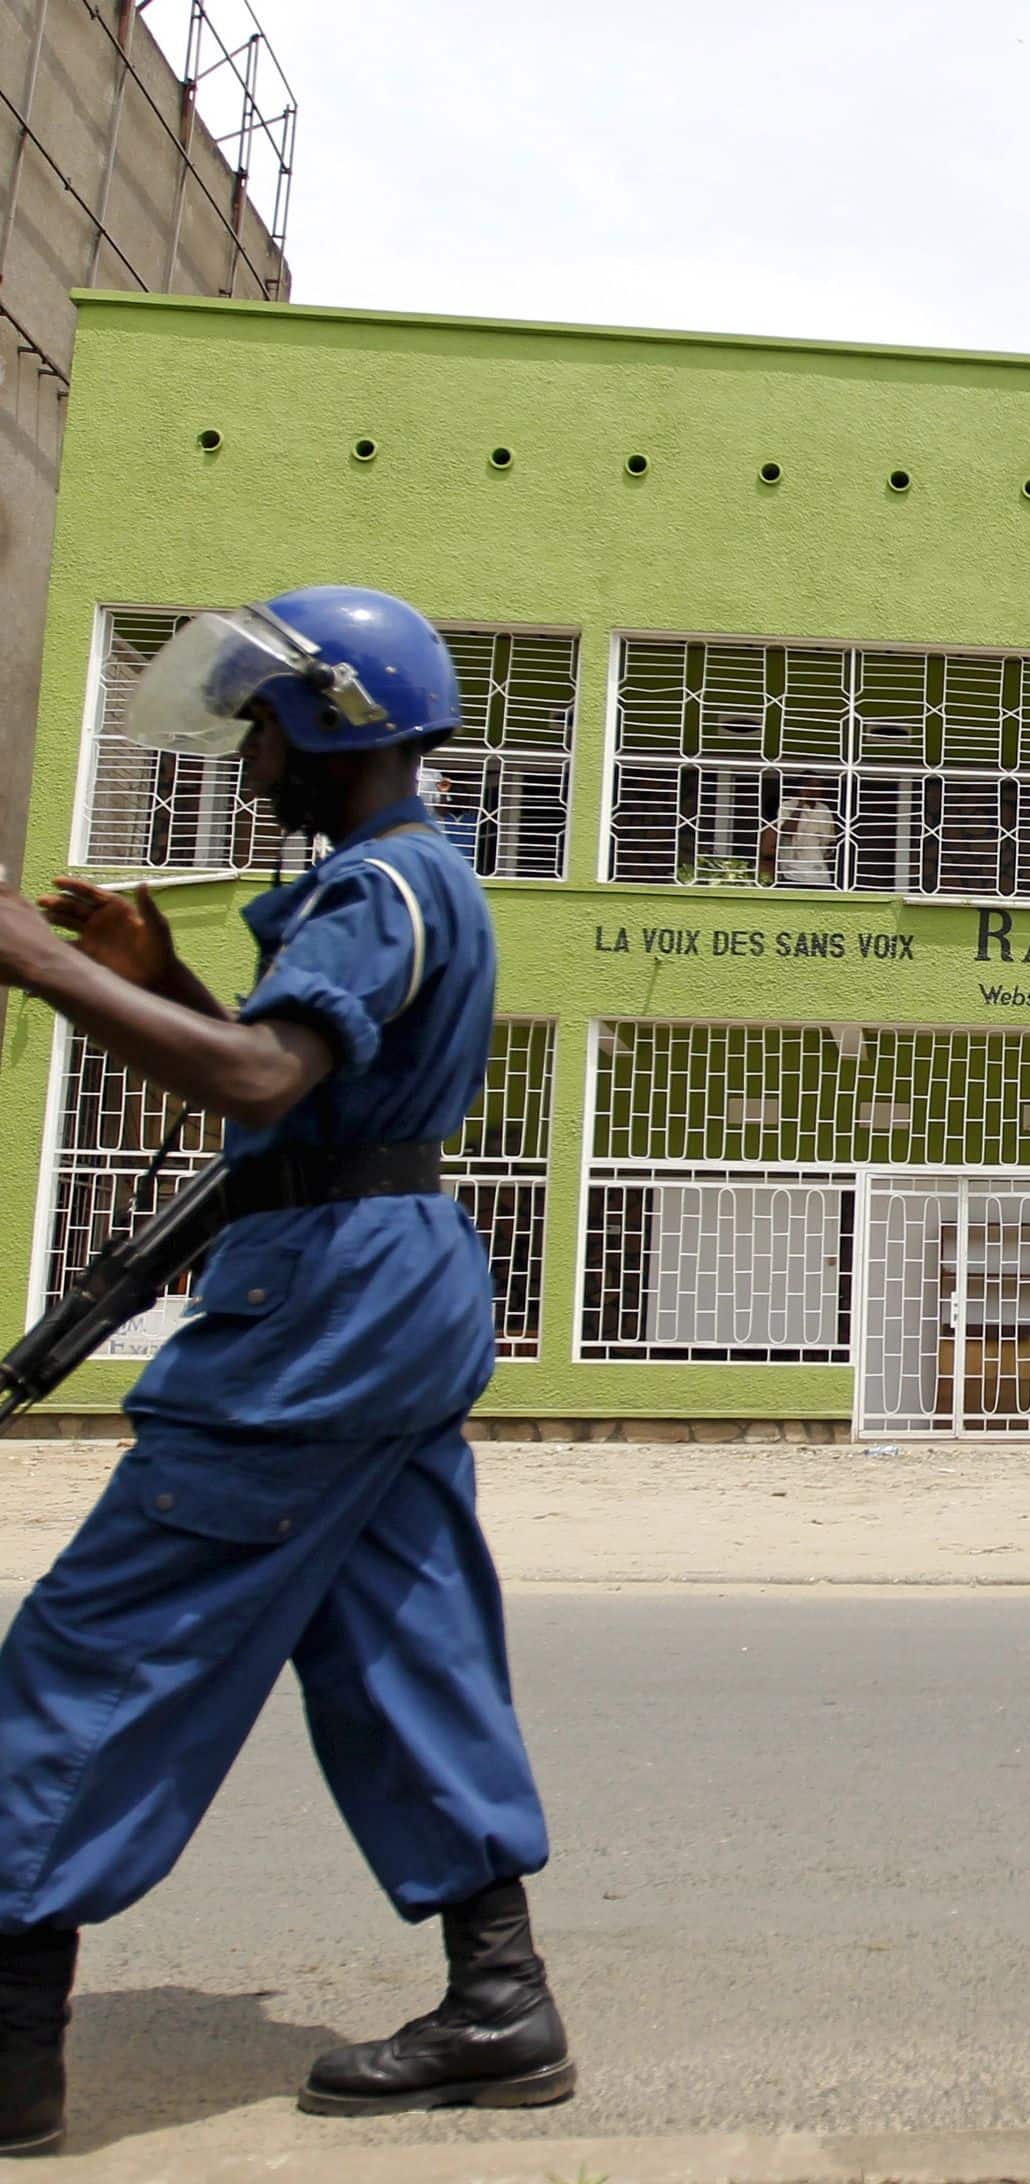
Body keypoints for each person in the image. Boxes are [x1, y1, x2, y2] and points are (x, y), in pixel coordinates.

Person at [0, 588, 572, 2155]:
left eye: (264, 721)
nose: (250, 749)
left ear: (334, 721)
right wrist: (162, 978)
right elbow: (295, 1096)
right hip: (383, 1287)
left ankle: (7, 2040)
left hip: (321, 1317)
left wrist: (43, 972)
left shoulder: (378, 887)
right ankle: (498, 2003)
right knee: (399, 1632)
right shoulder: (399, 885)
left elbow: (267, 1079)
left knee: (105, 1634)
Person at [760, 784, 841, 888]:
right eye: (811, 788)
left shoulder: (823, 810)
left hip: (818, 872)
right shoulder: (775, 825)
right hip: (793, 873)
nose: (816, 792)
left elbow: (830, 840)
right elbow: (768, 850)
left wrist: (826, 850)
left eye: (818, 788)